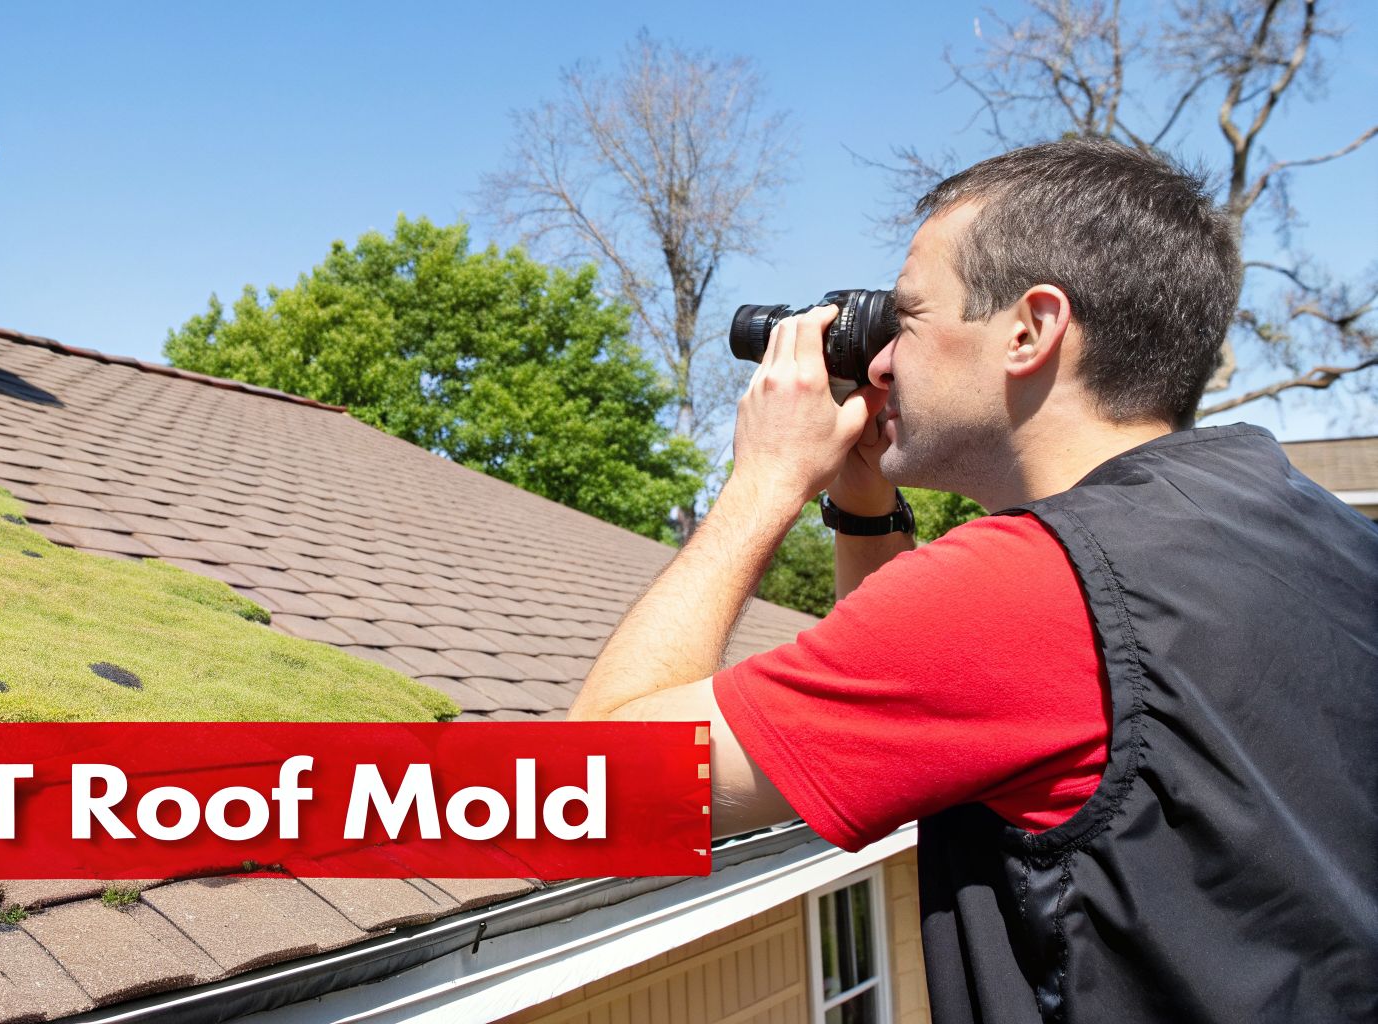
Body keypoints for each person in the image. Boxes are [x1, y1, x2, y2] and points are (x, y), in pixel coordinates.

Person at [567, 137, 1378, 1023]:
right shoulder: (1310, 527)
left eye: (905, 322)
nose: (878, 364)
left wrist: (764, 483)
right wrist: (864, 504)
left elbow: (590, 785)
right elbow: (924, 723)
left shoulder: (1033, 589)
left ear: (1031, 329)